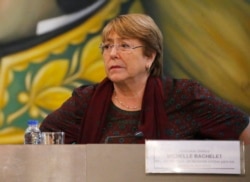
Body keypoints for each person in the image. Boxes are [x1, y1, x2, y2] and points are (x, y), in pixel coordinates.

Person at [40, 13, 250, 144]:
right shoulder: (85, 101)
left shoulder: (184, 96)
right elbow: (42, 140)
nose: (112, 53)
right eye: (107, 46)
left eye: (124, 45)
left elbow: (243, 129)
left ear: (149, 56)